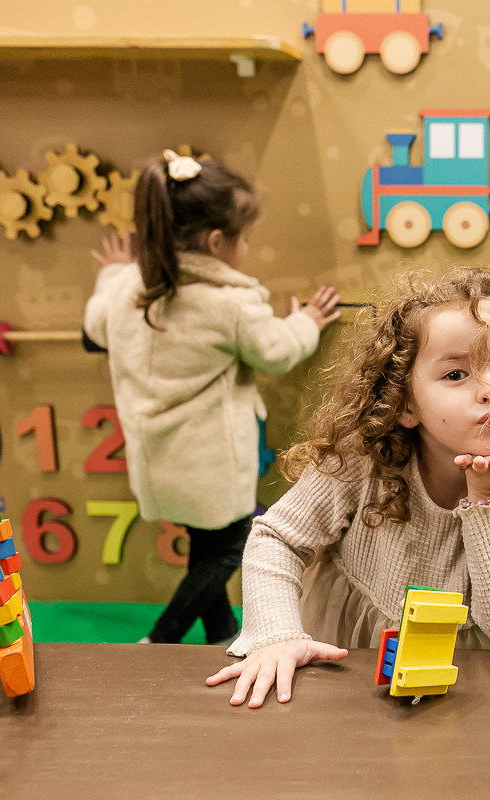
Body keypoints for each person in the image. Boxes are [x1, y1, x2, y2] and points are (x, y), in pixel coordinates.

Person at [207, 266, 490, 707]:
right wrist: (275, 636)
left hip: (473, 680)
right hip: (352, 656)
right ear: (405, 404)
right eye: (456, 375)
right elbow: (277, 539)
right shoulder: (361, 458)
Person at [83, 149, 341, 646]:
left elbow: (95, 322)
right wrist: (308, 318)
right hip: (211, 469)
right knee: (232, 548)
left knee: (206, 548)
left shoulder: (127, 290)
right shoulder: (229, 304)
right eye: (244, 239)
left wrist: (111, 272)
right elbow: (277, 351)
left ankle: (221, 632)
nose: (246, 248)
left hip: (157, 463)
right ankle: (159, 641)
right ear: (217, 241)